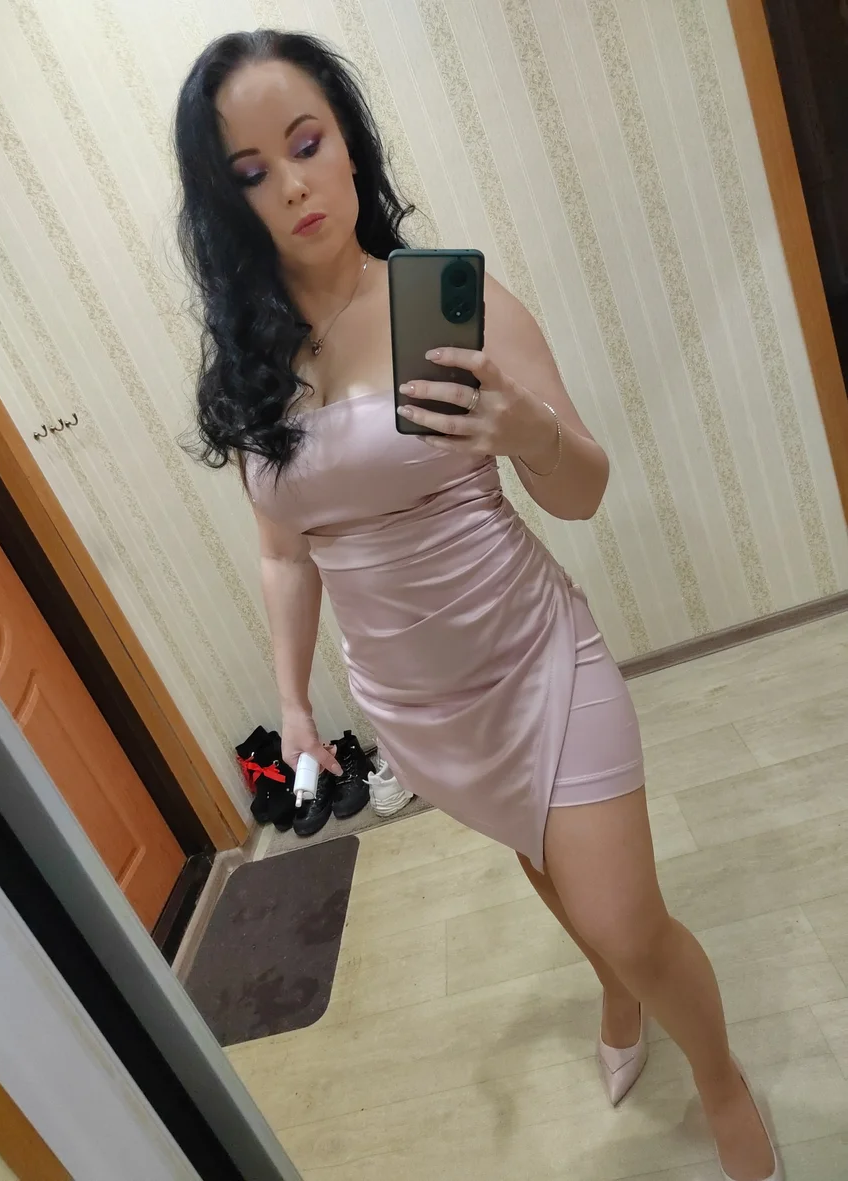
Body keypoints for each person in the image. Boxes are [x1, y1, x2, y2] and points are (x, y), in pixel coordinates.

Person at [174, 29, 782, 1181]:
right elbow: (286, 552)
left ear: (348, 141)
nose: (292, 183)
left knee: (627, 914)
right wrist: (293, 706)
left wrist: (525, 430)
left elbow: (583, 489)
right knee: (545, 862)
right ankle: (614, 993)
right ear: (223, 200)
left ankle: (720, 1079)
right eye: (250, 169)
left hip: (534, 659)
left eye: (305, 142)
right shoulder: (253, 362)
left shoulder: (443, 301)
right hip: (415, 703)